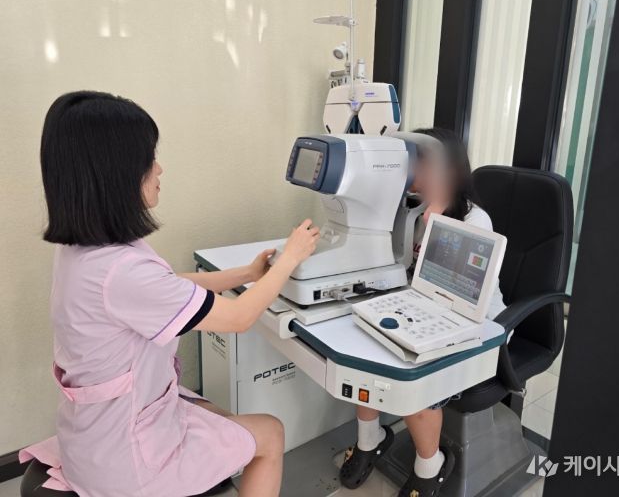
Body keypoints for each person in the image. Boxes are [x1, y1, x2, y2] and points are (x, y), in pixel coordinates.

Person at [19, 91, 319, 497]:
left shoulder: (83, 250)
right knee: (270, 432)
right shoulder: (122, 271)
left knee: (221, 416)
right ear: (117, 175)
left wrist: (247, 273)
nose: (159, 168)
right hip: (127, 462)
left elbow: (166, 286)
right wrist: (291, 257)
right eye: (149, 159)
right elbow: (238, 318)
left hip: (94, 436)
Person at [339, 127, 506, 496]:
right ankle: (370, 439)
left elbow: (455, 295)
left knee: (417, 378)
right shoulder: (408, 207)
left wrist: (435, 221)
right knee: (363, 354)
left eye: (421, 163)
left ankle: (430, 466)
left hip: (477, 325)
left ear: (449, 171)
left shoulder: (475, 220)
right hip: (421, 312)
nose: (411, 170)